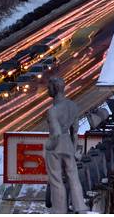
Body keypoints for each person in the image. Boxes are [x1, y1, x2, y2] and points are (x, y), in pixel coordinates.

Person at [46, 77, 86, 213]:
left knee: (56, 179)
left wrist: (49, 146)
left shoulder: (53, 111)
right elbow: (75, 132)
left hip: (56, 146)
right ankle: (80, 207)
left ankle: (59, 210)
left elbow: (56, 133)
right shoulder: (73, 106)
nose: (47, 90)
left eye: (48, 88)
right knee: (73, 177)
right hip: (68, 144)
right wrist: (74, 150)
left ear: (54, 89)